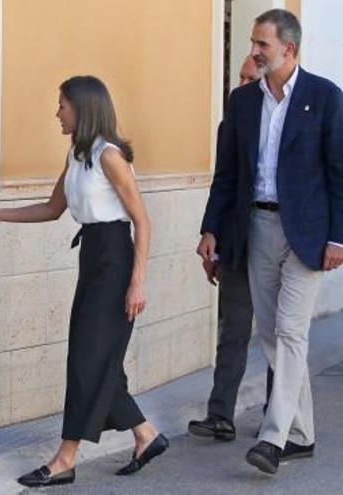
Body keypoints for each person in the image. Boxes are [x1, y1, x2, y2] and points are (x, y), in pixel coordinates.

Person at [0, 76, 168, 487]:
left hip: (114, 260)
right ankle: (146, 435)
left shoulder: (109, 156)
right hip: (92, 256)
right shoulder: (78, 153)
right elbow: (52, 208)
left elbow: (142, 221)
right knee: (98, 360)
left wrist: (137, 282)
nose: (57, 112)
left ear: (83, 108)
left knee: (87, 362)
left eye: (62, 106)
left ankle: (65, 459)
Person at [198, 9, 343, 474]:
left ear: (289, 49)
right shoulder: (242, 102)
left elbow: (339, 173)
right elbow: (227, 175)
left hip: (308, 233)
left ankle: (273, 437)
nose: (255, 51)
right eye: (253, 42)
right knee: (270, 334)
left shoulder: (324, 97)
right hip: (256, 227)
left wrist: (339, 238)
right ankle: (301, 432)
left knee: (290, 331)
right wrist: (211, 228)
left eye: (263, 44)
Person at [188, 55, 267, 441]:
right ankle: (220, 415)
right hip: (238, 241)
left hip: (281, 243)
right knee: (234, 328)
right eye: (240, 76)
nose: (241, 84)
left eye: (250, 78)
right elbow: (223, 181)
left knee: (277, 332)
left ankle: (279, 413)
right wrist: (211, 233)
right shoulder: (232, 120)